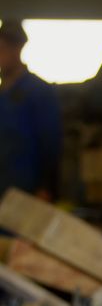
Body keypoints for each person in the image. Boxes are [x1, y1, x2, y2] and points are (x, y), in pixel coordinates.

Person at [0, 21, 62, 200]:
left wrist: (46, 186)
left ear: (16, 49)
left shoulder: (38, 92)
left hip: (26, 191)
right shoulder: (2, 94)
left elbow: (51, 143)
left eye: (2, 49)